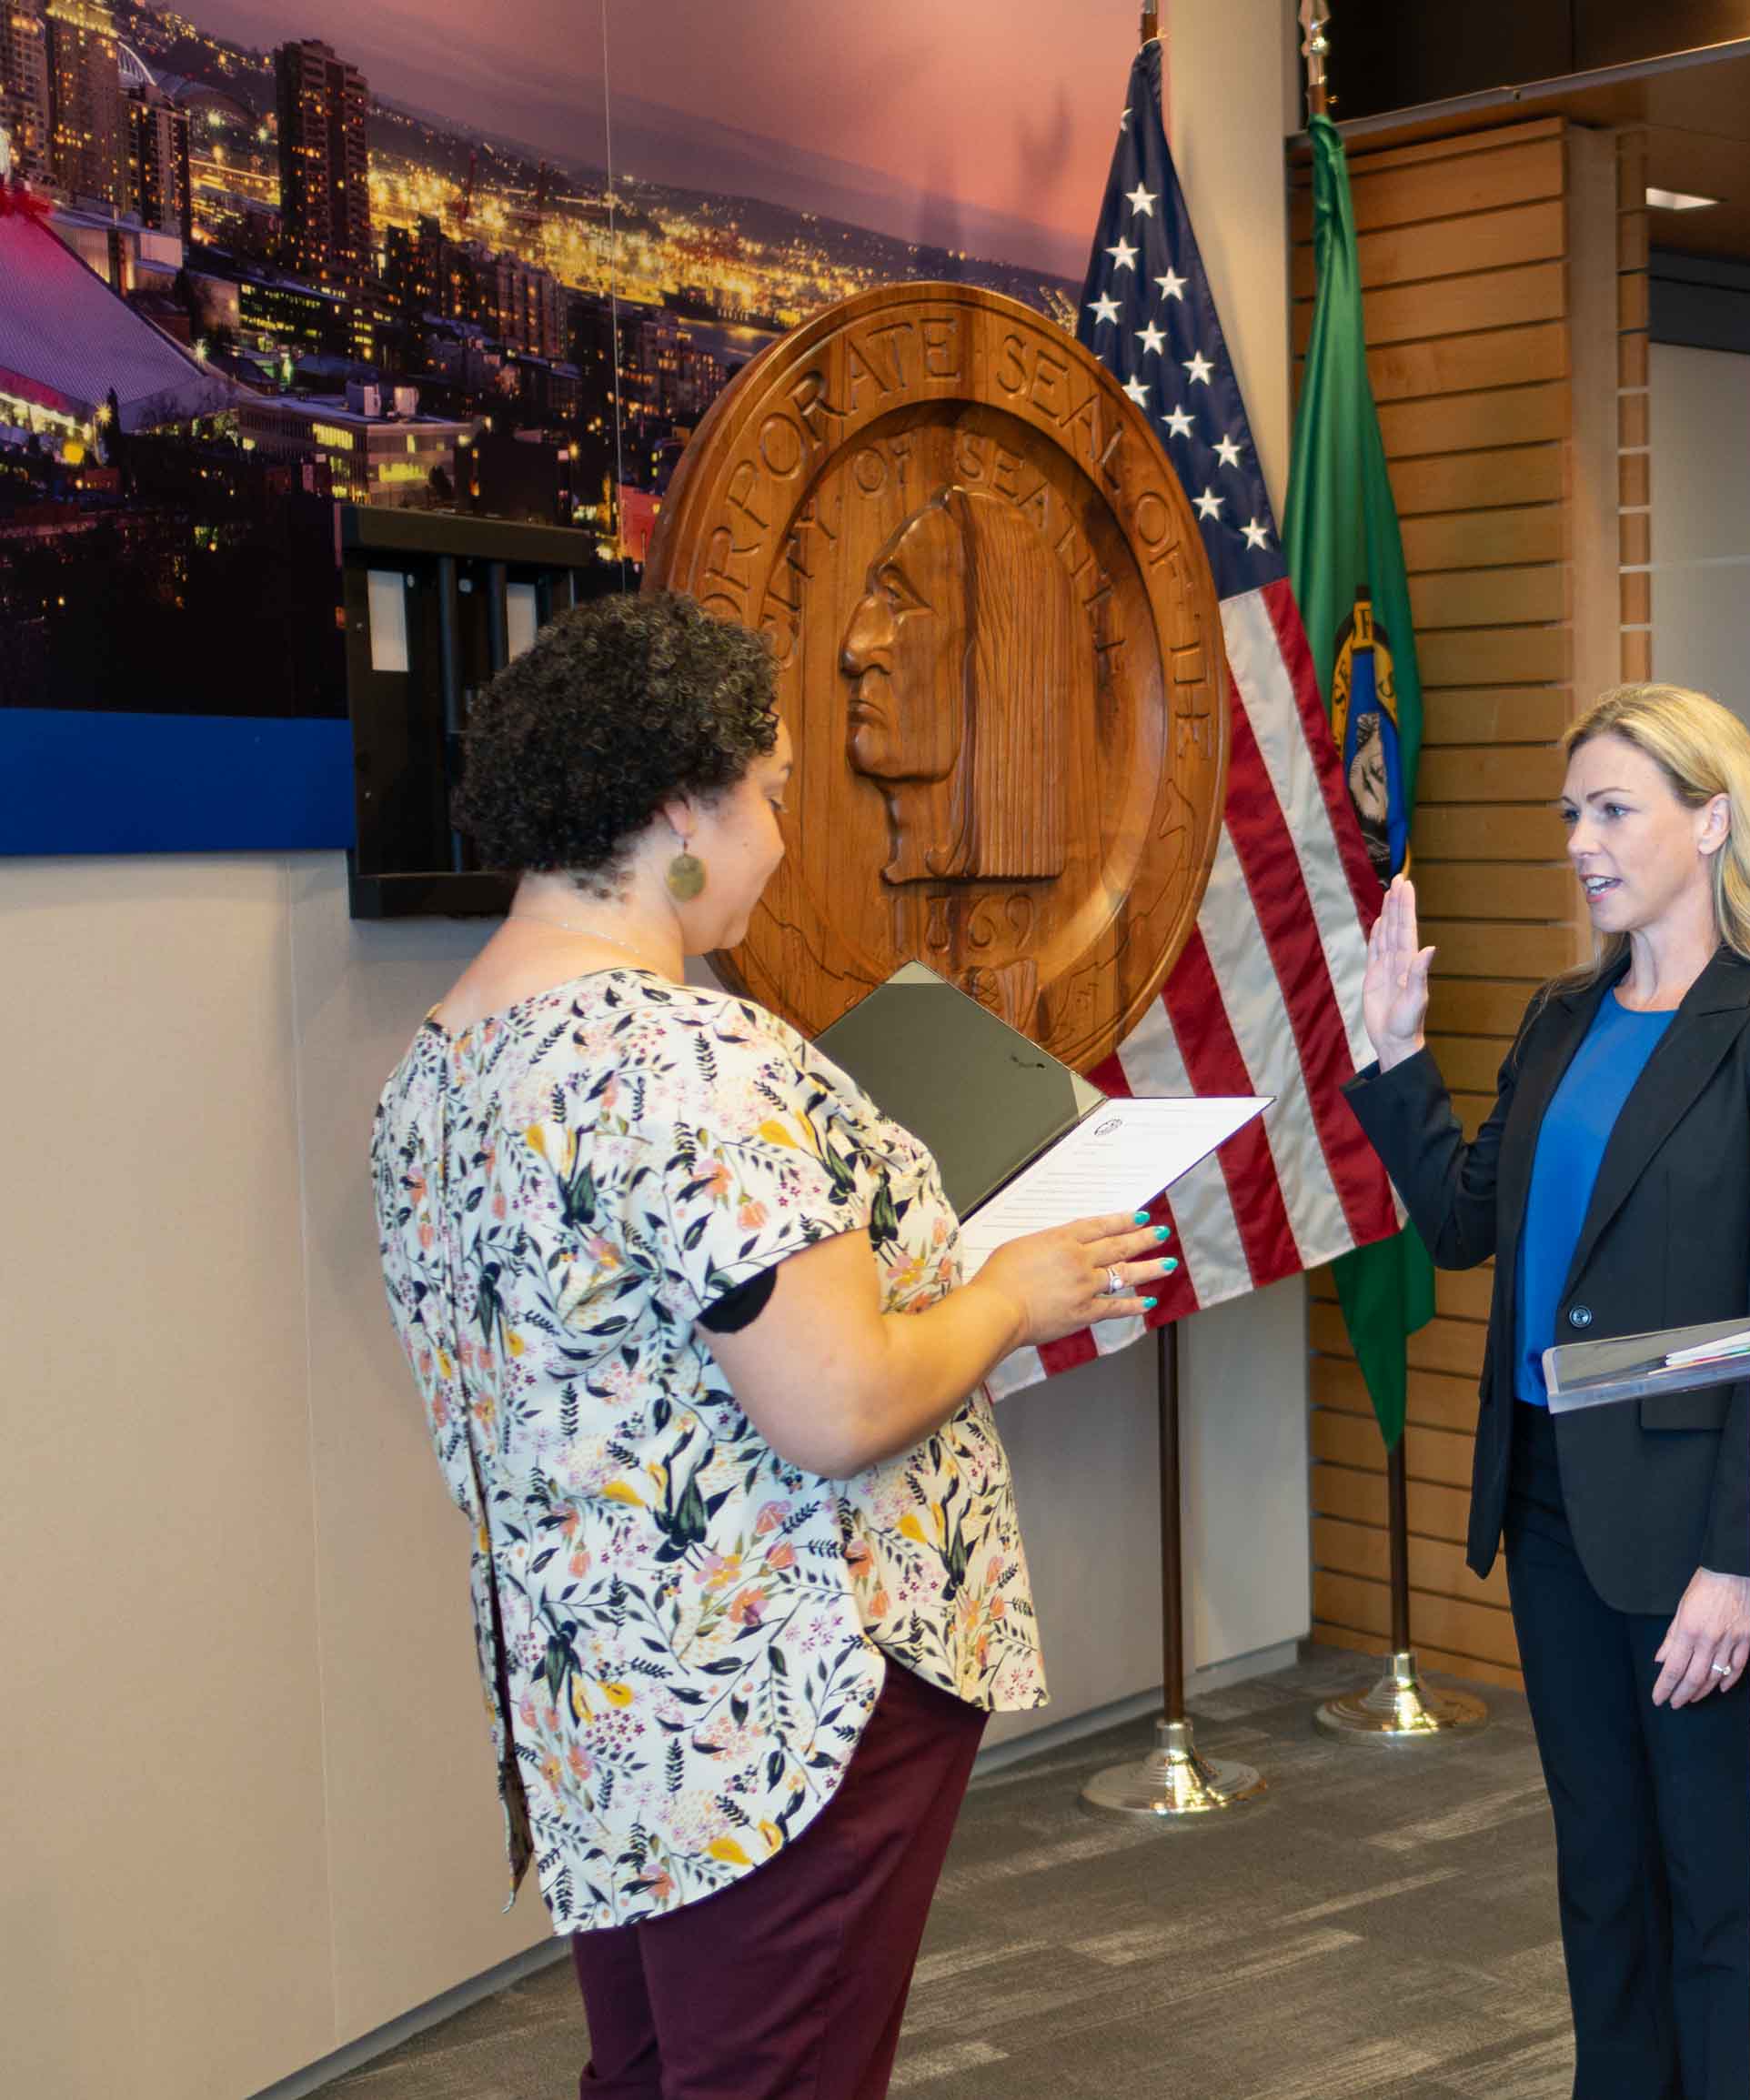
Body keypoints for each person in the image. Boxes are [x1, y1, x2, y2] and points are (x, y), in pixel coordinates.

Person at [369, 592, 1171, 2099]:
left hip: (601, 1695)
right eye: (774, 796)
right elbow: (838, 1397)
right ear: (683, 809)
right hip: (778, 1694)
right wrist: (1012, 1288)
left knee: (665, 2066)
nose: (785, 839)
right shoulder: (686, 1057)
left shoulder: (440, 1061)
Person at [1343, 683, 1750, 2100]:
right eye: (1573, 812)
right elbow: (1459, 1223)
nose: (1582, 839)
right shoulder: (1563, 1013)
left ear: (1711, 819)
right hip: (1552, 1502)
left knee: (1712, 1880)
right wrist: (1395, 1050)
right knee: (1601, 1873)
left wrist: (1740, 1563)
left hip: (1697, 1524)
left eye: (1615, 809)